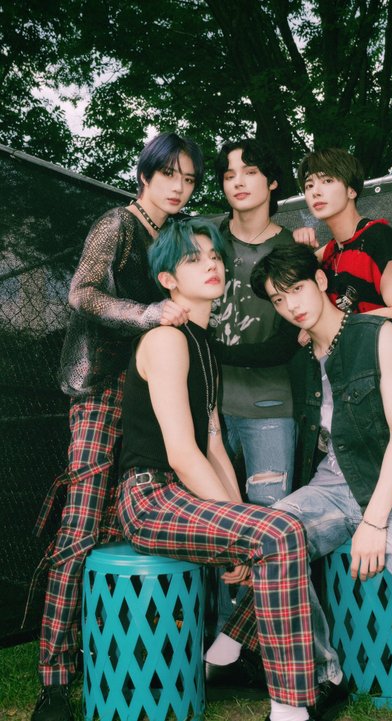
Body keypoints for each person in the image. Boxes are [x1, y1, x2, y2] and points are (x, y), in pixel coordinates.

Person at [250, 244, 392, 721]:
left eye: (297, 289)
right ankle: (318, 679)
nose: (291, 305)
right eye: (278, 299)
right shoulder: (301, 359)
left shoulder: (377, 333)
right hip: (331, 487)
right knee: (268, 534)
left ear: (320, 281)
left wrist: (374, 522)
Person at [29, 131, 204, 721]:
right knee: (81, 525)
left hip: (154, 389)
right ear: (145, 174)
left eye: (189, 179)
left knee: (127, 526)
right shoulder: (117, 224)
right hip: (102, 387)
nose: (179, 187)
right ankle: (56, 679)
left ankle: (123, 652)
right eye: (169, 174)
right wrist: (147, 313)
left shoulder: (175, 235)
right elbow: (81, 294)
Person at [116, 218, 319, 721]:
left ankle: (225, 650)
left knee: (284, 532)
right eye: (193, 259)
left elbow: (213, 445)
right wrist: (239, 534)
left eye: (214, 256)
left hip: (180, 494)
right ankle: (290, 709)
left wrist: (239, 520)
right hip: (149, 498)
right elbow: (182, 453)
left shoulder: (202, 343)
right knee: (277, 535)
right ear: (168, 280)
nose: (211, 264)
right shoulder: (167, 340)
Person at [208, 139, 300, 646]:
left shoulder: (291, 248)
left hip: (269, 407)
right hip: (206, 409)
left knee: (269, 526)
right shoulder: (205, 240)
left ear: (273, 182)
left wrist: (211, 351)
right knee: (215, 526)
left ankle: (260, 645)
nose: (238, 181)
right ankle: (218, 642)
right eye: (228, 174)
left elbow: (287, 345)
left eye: (249, 170)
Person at [293, 148, 392, 413]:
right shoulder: (330, 252)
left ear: (351, 190)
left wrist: (332, 325)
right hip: (357, 390)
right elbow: (287, 280)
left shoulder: (377, 238)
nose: (315, 191)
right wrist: (299, 250)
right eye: (309, 185)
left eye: (327, 181)